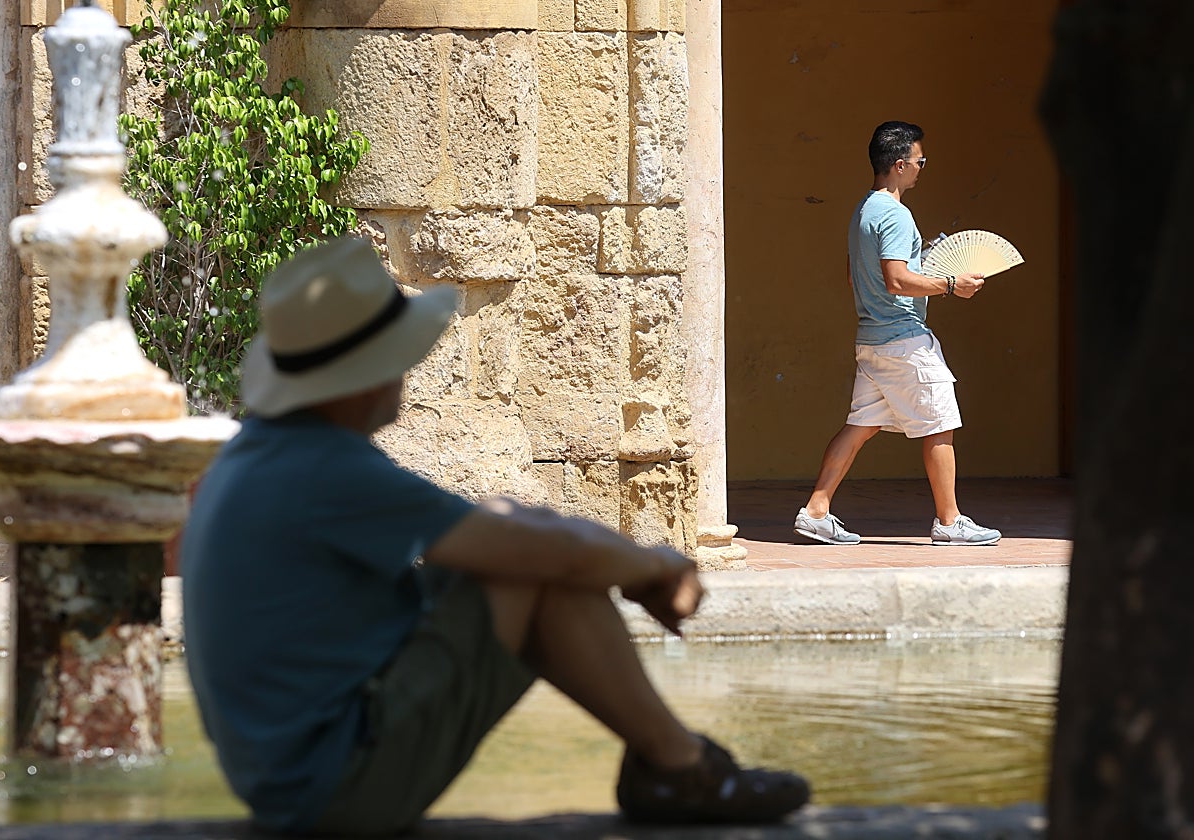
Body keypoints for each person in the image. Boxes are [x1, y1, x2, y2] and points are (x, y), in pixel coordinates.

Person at [181, 237, 810, 836]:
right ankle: (681, 769)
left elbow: (507, 524)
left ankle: (676, 765)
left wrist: (634, 565)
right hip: (335, 789)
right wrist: (654, 569)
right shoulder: (324, 468)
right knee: (530, 568)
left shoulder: (260, 455)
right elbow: (539, 553)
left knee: (517, 537)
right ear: (368, 376)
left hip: (291, 781)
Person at [793, 121, 1001, 547]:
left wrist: (920, 263)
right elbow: (896, 280)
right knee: (940, 424)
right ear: (901, 164)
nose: (923, 168)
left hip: (872, 339)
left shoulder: (863, 212)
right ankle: (950, 522)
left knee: (858, 426)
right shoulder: (896, 214)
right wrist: (949, 284)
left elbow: (858, 276)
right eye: (921, 161)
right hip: (904, 341)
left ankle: (815, 512)